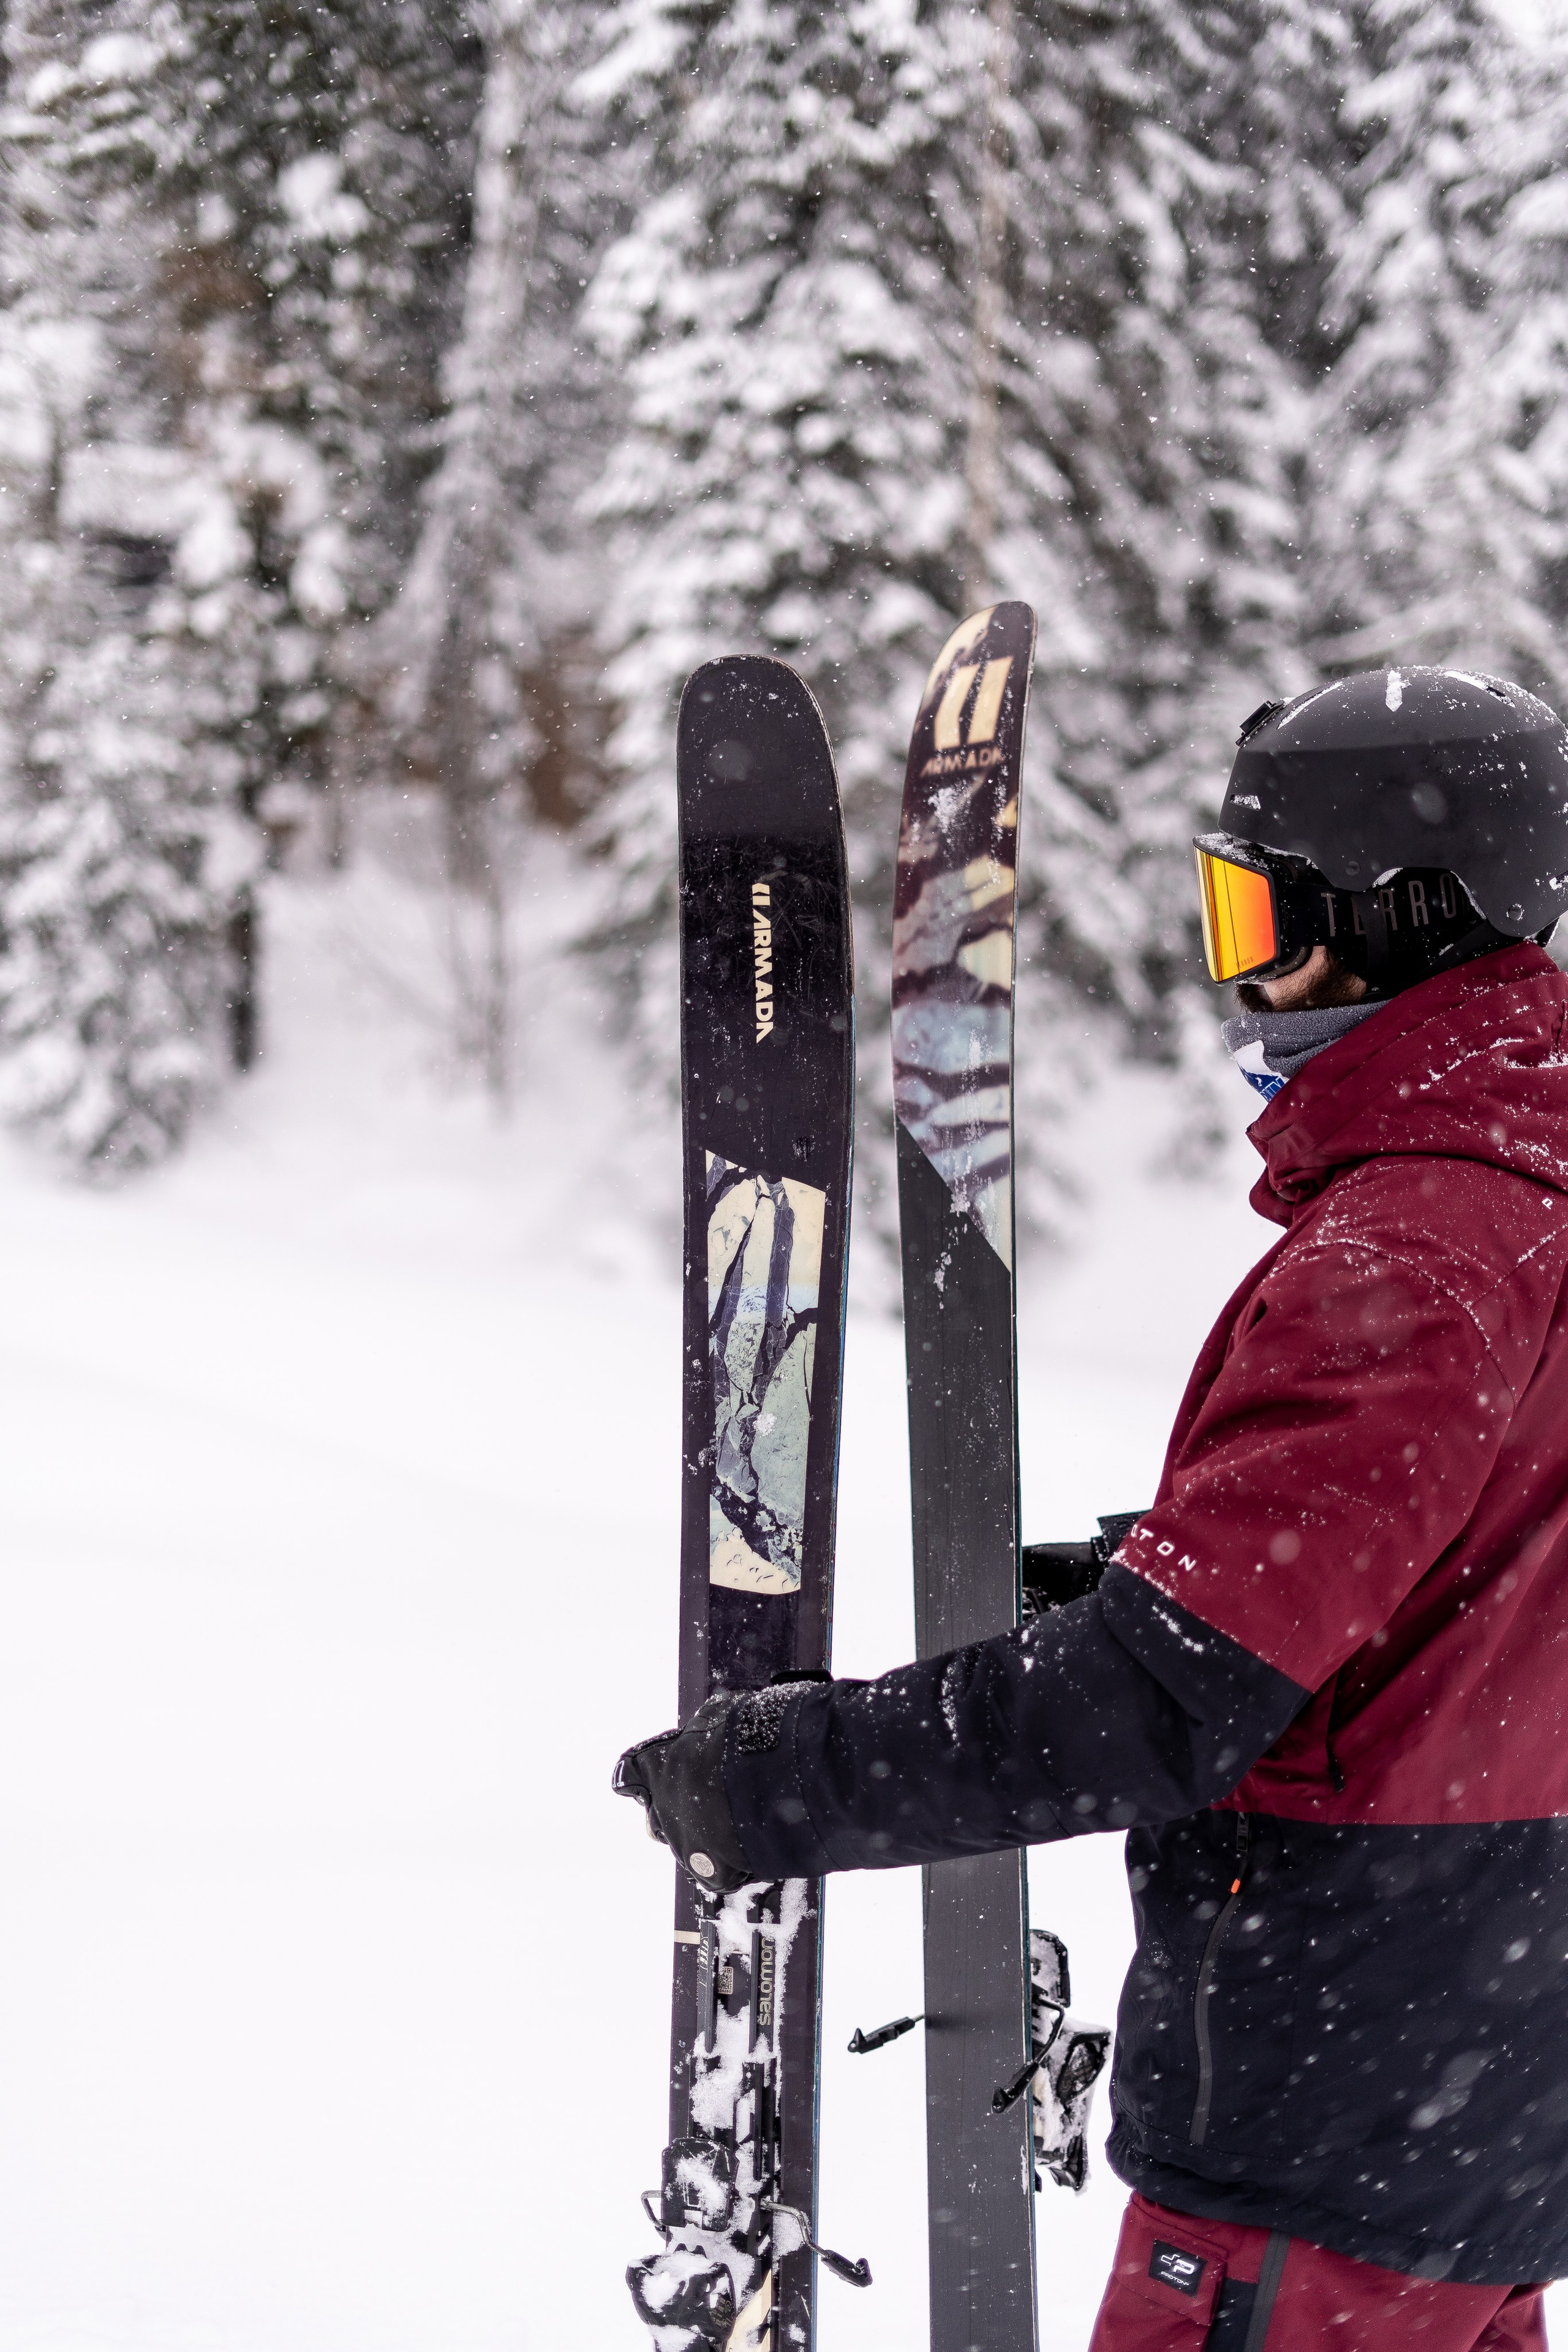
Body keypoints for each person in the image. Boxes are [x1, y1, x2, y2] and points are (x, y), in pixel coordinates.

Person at [617, 666, 1568, 2350]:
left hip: (1332, 2132)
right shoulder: (1528, 1200)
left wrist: (790, 1781)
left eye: (1260, 915)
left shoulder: (1415, 1251)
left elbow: (1154, 1716)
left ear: (1406, 916)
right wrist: (1149, 1573)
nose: (1239, 977)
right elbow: (1479, 1584)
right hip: (1477, 2137)